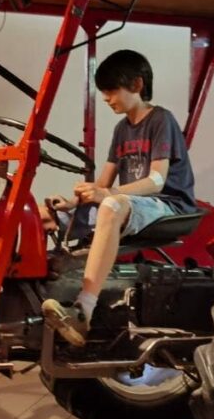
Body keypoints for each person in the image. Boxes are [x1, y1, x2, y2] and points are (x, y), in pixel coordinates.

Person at [41, 49, 196, 347]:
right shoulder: (121, 129)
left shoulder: (161, 120)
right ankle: (38, 292)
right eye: (103, 91)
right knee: (42, 213)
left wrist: (107, 194)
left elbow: (156, 180)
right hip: (130, 204)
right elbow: (103, 183)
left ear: (136, 85)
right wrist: (74, 201)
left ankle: (83, 309)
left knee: (111, 205)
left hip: (166, 204)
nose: (106, 98)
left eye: (111, 90)